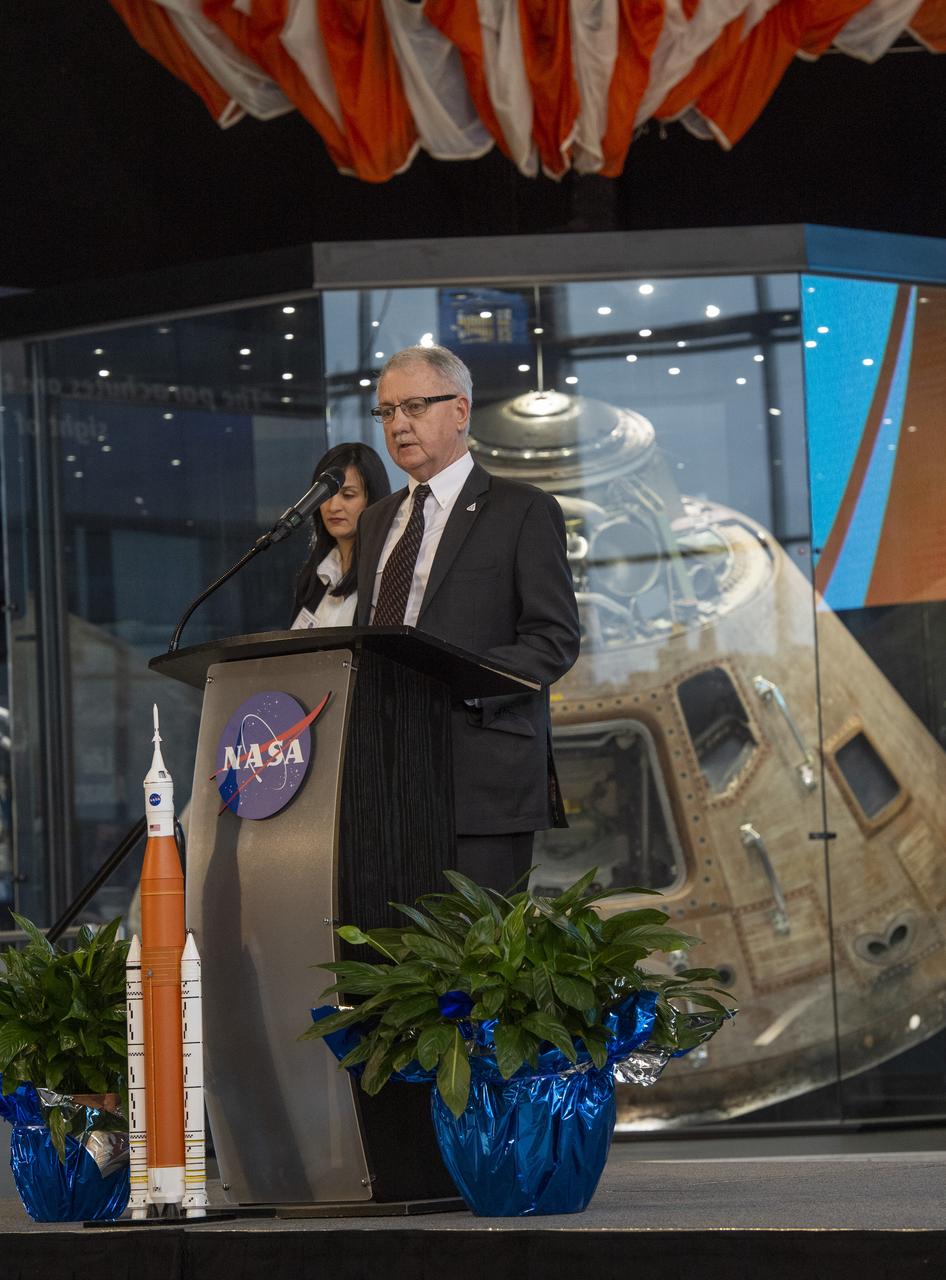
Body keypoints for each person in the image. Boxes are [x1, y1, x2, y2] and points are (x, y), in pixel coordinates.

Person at [356, 344, 580, 891]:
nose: (398, 425)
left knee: (475, 967)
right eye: (386, 412)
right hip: (385, 778)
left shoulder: (522, 509)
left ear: (459, 411)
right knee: (394, 962)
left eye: (414, 407)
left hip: (480, 777)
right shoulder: (376, 521)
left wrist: (452, 682)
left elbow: (553, 640)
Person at [290, 442, 390, 629]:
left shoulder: (384, 573)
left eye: (348, 495)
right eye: (326, 496)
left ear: (373, 500)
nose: (333, 506)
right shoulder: (314, 575)